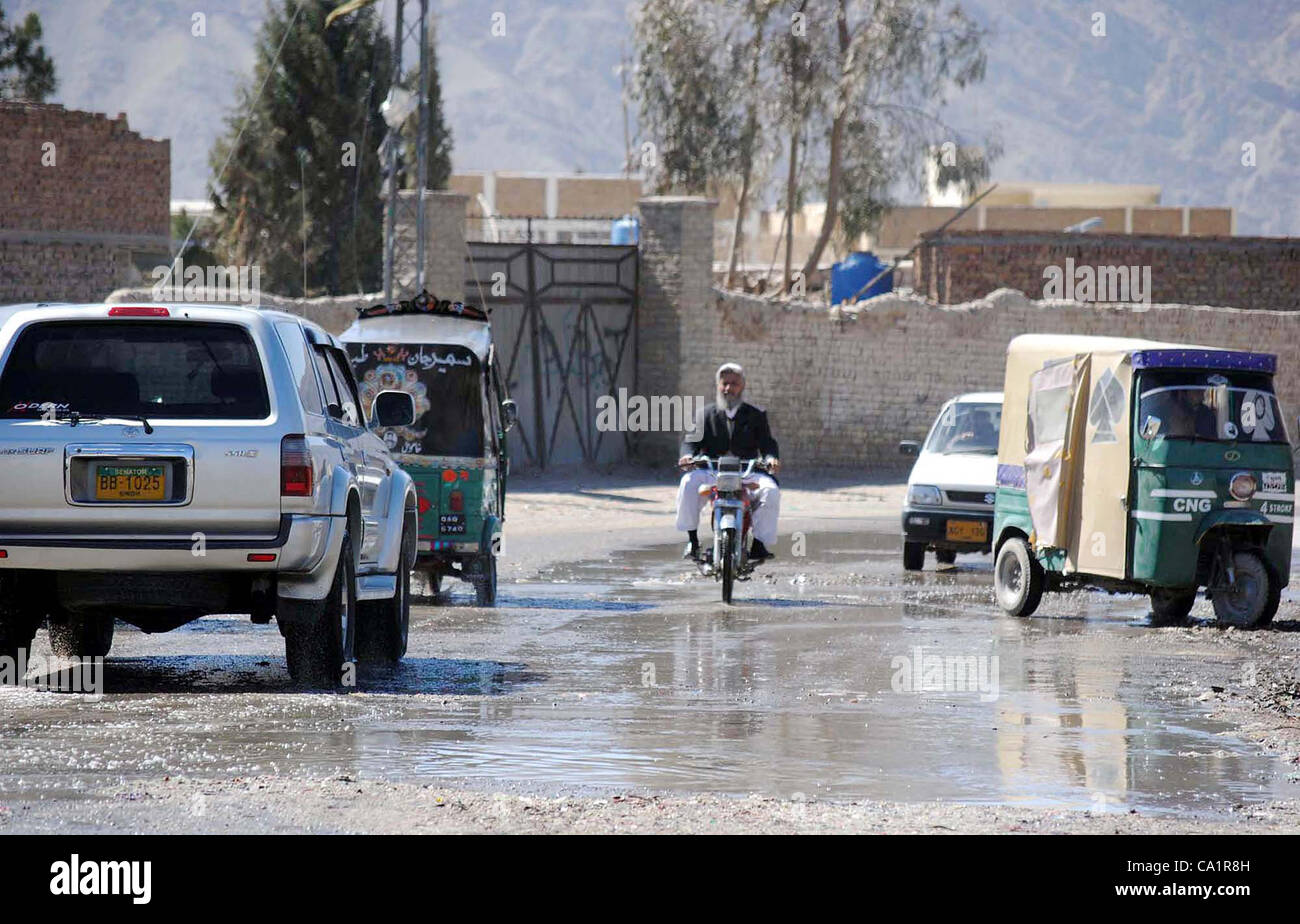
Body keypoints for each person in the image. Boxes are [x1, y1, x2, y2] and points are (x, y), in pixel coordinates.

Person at [676, 363, 781, 561]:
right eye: (724, 384)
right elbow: (690, 442)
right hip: (712, 470)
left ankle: (759, 545)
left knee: (771, 491)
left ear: (742, 386)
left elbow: (767, 443)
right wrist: (687, 456)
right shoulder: (704, 414)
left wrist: (771, 458)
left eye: (734, 384)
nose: (728, 388)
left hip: (747, 470)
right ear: (718, 386)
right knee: (688, 482)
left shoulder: (756, 415)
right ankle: (692, 540)